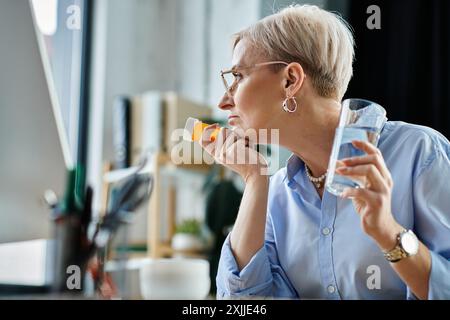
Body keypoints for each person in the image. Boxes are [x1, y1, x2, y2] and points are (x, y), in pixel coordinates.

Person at [198, 5, 450, 300]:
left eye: (237, 76)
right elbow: (245, 304)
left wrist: (387, 232)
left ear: (290, 80)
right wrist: (255, 178)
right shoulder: (277, 193)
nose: (223, 102)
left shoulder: (419, 152)